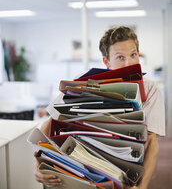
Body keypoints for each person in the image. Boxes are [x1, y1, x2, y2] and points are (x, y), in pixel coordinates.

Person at [34, 26, 165, 189]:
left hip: (123, 171)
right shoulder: (84, 82)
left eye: (133, 55)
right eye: (120, 57)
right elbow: (50, 122)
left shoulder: (150, 89)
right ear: (106, 61)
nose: (129, 62)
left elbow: (152, 142)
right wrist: (38, 166)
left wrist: (143, 187)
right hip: (79, 167)